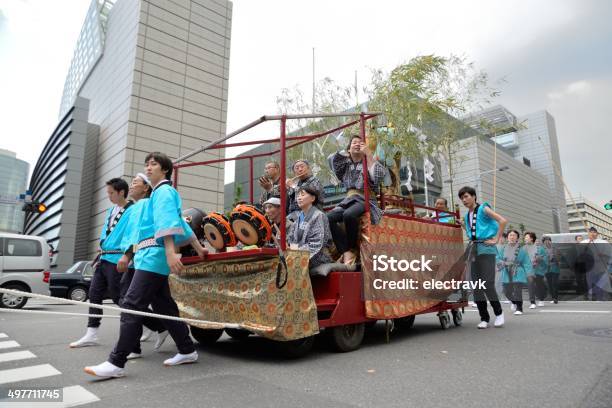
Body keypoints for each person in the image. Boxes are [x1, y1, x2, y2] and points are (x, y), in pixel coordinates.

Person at [84, 152, 207, 379]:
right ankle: (187, 350)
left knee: (131, 303)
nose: (148, 168)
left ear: (165, 170)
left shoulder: (164, 191)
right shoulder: (155, 196)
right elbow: (180, 222)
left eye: (154, 164)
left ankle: (116, 362)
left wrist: (171, 252)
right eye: (147, 165)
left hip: (155, 255)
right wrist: (198, 248)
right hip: (149, 254)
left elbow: (169, 223)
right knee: (164, 307)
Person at [70, 178, 134, 348]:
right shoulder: (111, 210)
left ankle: (155, 324)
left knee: (119, 298)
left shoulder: (132, 210)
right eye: (108, 193)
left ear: (121, 192)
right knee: (94, 293)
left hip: (117, 259)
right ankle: (92, 333)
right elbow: (106, 233)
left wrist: (127, 255)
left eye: (111, 192)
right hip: (104, 258)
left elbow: (132, 235)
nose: (109, 196)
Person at [116, 173, 168, 358]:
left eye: (135, 183)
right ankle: (161, 329)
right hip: (140, 259)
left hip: (141, 259)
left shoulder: (145, 204)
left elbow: (139, 237)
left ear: (146, 187)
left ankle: (131, 349)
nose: (131, 186)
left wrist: (128, 255)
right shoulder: (138, 206)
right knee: (161, 302)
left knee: (128, 301)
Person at [327, 135, 386, 265]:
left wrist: (369, 155)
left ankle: (352, 247)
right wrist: (347, 152)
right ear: (348, 149)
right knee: (328, 217)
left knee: (349, 214)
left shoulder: (368, 161)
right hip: (348, 199)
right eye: (354, 143)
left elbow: (378, 177)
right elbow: (332, 160)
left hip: (365, 198)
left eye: (360, 143)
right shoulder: (345, 164)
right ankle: (346, 251)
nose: (357, 144)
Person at [458, 186, 507, 329]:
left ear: (474, 196)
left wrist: (496, 239)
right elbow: (471, 233)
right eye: (462, 198)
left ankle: (499, 313)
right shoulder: (467, 215)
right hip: (474, 250)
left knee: (487, 283)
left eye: (466, 196)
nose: (464, 200)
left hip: (486, 249)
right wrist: (463, 225)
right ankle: (484, 318)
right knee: (477, 285)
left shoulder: (483, 208)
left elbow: (502, 220)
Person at [287, 186, 333, 269]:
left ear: (312, 198)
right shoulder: (297, 220)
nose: (299, 198)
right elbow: (291, 240)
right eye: (297, 196)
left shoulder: (319, 216)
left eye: (302, 195)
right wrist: (291, 250)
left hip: (318, 257)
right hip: (299, 255)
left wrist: (296, 251)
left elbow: (317, 244)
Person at [497, 230, 531, 315]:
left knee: (517, 290)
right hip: (506, 271)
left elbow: (527, 262)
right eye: (510, 235)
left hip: (517, 271)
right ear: (507, 237)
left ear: (517, 238)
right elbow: (498, 258)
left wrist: (529, 274)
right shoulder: (503, 248)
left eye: (514, 235)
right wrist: (502, 263)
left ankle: (519, 308)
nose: (512, 237)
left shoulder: (522, 249)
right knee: (506, 292)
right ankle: (515, 302)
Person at [578, 227, 611, 301]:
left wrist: (603, 255)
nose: (592, 233)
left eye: (594, 232)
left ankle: (600, 298)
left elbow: (609, 254)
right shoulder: (584, 242)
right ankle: (593, 298)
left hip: (600, 267)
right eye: (591, 232)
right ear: (588, 233)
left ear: (597, 234)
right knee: (590, 283)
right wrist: (589, 242)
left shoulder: (603, 242)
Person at [523, 232, 548, 309]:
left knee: (539, 285)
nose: (525, 239)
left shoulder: (540, 248)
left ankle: (541, 299)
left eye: (526, 237)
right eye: (525, 238)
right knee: (530, 284)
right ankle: (532, 302)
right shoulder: (523, 248)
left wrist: (540, 259)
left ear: (531, 238)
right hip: (528, 270)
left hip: (538, 270)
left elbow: (545, 259)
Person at [542, 236, 560, 304]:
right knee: (549, 284)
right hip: (547, 269)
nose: (547, 242)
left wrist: (555, 258)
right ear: (543, 242)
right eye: (545, 240)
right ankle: (553, 297)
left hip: (555, 268)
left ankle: (555, 298)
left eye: (548, 240)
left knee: (554, 283)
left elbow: (559, 257)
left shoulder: (555, 248)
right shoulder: (542, 249)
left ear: (550, 241)